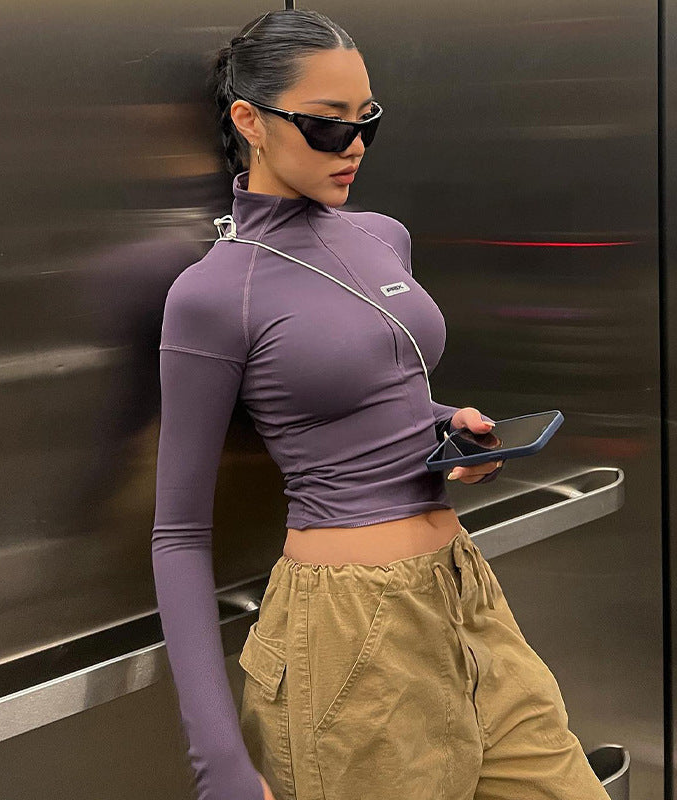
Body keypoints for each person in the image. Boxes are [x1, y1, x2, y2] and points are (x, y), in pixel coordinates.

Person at [151, 8, 611, 800]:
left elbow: (375, 400)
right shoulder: (214, 295)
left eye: (366, 121)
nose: (354, 146)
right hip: (344, 636)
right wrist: (218, 763)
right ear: (249, 121)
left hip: (463, 594)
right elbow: (179, 534)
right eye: (327, 126)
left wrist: (451, 435)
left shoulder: (380, 235)